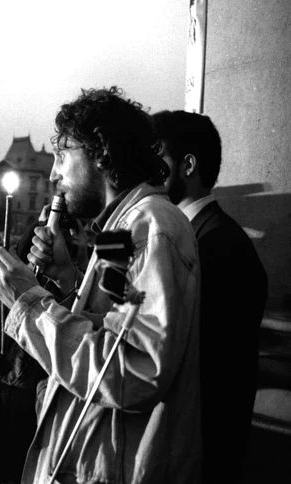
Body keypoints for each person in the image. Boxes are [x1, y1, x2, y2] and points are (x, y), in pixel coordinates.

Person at [0, 86, 202, 484]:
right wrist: (69, 280)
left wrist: (28, 302)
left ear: (100, 152)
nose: (53, 174)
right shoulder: (121, 227)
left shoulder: (152, 227)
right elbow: (110, 328)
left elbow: (135, 370)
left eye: (61, 156)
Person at [153, 110, 268, 483]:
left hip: (202, 455)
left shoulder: (217, 245)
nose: (149, 171)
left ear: (188, 165)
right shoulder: (203, 235)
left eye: (158, 158)